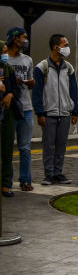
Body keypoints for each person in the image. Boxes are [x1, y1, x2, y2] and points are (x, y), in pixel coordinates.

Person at [33, 34, 78, 185]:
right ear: (56, 47)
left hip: (65, 112)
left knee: (61, 144)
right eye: (65, 45)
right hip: (49, 113)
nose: (67, 48)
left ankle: (58, 173)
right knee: (48, 145)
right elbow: (37, 92)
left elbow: (73, 90)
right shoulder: (42, 67)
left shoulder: (69, 68)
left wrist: (75, 111)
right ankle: (48, 174)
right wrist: (40, 113)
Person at [6, 27, 34, 192]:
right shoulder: (4, 59)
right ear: (15, 39)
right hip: (9, 108)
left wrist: (29, 83)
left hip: (26, 107)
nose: (25, 40)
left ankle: (25, 179)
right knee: (7, 146)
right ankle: (6, 181)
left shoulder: (27, 60)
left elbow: (29, 79)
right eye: (24, 37)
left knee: (25, 147)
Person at [0, 44, 21, 197]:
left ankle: (5, 184)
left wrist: (9, 95)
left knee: (7, 149)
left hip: (7, 114)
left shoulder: (8, 69)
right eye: (3, 52)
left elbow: (16, 89)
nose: (6, 54)